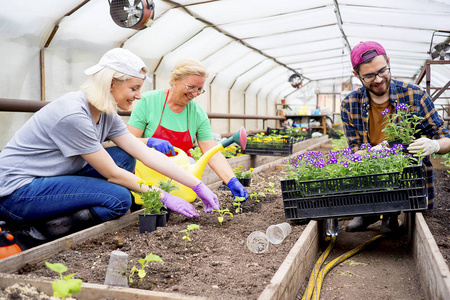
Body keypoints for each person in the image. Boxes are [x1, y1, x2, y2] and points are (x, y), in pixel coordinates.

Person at [0, 48, 219, 250]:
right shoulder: (74, 114)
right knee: (118, 199)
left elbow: (143, 153)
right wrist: (164, 196)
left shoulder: (106, 114)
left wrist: (197, 185)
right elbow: (112, 174)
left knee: (124, 157)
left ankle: (61, 209)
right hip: (16, 193)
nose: (138, 95)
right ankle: (24, 238)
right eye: (133, 88)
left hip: (47, 178)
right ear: (111, 83)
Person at [340, 41, 450, 234]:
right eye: (369, 75)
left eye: (382, 70)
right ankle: (369, 212)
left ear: (388, 62)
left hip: (409, 181)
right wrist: (370, 154)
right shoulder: (350, 104)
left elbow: (446, 138)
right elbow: (354, 149)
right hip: (372, 177)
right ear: (357, 75)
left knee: (395, 228)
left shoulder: (415, 95)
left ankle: (391, 216)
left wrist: (433, 145)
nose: (378, 79)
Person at [127, 58, 249, 200]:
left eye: (199, 89)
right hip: (149, 172)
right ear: (174, 80)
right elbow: (128, 141)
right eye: (191, 87)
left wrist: (232, 180)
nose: (195, 94)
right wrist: (149, 141)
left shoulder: (198, 114)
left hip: (180, 178)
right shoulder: (148, 101)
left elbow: (212, 154)